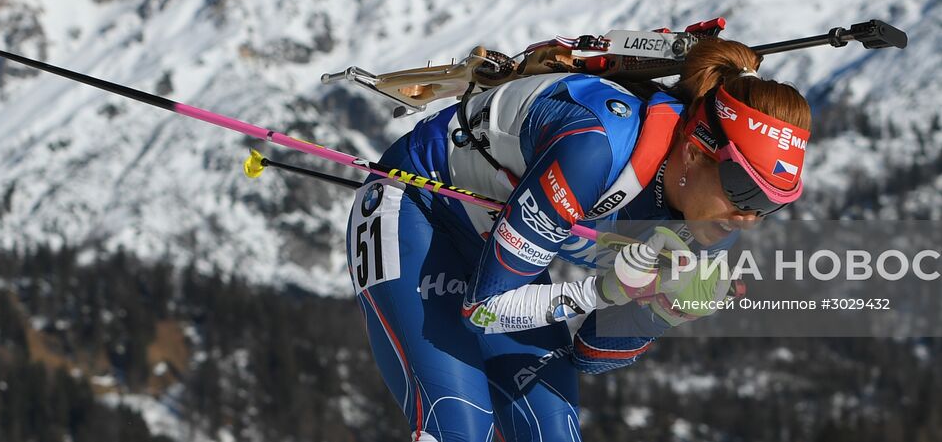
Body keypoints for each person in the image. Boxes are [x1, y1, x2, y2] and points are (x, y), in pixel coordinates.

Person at [345, 39, 813, 441]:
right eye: (743, 192)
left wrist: (663, 309)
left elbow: (591, 353)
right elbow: (484, 309)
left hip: (497, 246)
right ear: (694, 152)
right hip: (415, 207)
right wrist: (602, 291)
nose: (749, 218)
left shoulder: (712, 227)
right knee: (456, 424)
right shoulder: (594, 149)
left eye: (771, 204)